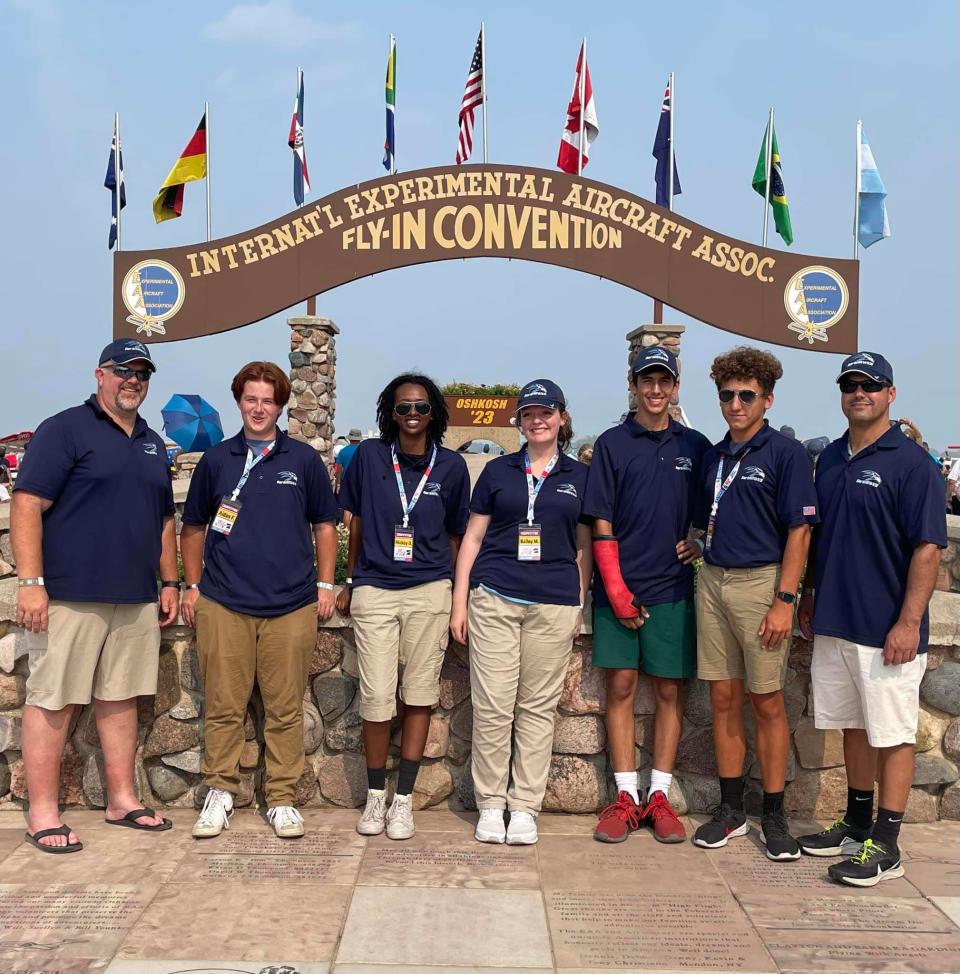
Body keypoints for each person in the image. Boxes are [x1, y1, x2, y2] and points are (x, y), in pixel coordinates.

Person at [12, 339, 177, 852]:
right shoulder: (64, 429)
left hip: (134, 596)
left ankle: (122, 799)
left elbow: (164, 518)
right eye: (122, 370)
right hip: (70, 595)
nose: (133, 379)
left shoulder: (151, 441)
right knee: (54, 699)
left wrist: (169, 582)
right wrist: (31, 583)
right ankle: (42, 812)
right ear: (99, 375)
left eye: (142, 372)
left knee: (120, 698)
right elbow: (26, 504)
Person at [797, 352, 947, 886]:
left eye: (871, 385)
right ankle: (857, 823)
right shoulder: (832, 458)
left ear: (891, 394)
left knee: (892, 733)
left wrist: (909, 623)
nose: (860, 392)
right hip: (836, 621)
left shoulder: (912, 463)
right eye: (851, 384)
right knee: (853, 728)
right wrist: (810, 597)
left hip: (887, 629)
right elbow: (821, 537)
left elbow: (928, 548)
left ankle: (887, 842)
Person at [181, 361, 338, 839]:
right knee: (225, 705)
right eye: (251, 399)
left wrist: (326, 585)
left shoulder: (303, 460)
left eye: (268, 400)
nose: (259, 408)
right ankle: (221, 792)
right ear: (239, 402)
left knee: (285, 708)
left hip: (290, 604)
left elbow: (325, 526)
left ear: (281, 405)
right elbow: (192, 528)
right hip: (224, 601)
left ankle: (283, 798)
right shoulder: (216, 460)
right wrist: (191, 587)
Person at [691, 347, 819, 862]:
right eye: (728, 394)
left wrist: (785, 599)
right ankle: (729, 810)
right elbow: (707, 519)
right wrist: (694, 544)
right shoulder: (714, 456)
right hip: (713, 581)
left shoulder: (784, 454)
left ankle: (774, 813)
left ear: (767, 399)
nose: (736, 403)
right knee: (723, 698)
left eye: (747, 395)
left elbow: (800, 530)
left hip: (762, 585)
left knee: (766, 701)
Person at [451, 379, 592, 846]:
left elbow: (583, 547)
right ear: (520, 421)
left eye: (546, 412)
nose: (537, 420)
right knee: (493, 707)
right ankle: (491, 803)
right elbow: (472, 538)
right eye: (529, 413)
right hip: (494, 597)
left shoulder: (579, 476)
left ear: (562, 417)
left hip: (552, 601)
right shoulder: (497, 471)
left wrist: (578, 602)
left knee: (536, 708)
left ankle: (524, 806)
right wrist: (460, 603)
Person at [585, 347, 711, 844]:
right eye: (646, 380)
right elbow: (600, 519)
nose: (655, 389)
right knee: (618, 688)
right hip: (620, 589)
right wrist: (615, 587)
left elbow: (714, 508)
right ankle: (625, 796)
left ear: (676, 386)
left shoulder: (697, 446)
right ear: (633, 385)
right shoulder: (613, 444)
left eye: (664, 380)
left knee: (668, 692)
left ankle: (658, 795)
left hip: (673, 589)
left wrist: (702, 541)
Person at [336, 374, 469, 840]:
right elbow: (355, 523)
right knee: (376, 697)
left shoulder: (451, 467)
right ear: (389, 414)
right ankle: (376, 797)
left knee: (418, 695)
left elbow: (456, 536)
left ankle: (404, 801)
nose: (411, 416)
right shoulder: (369, 457)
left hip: (430, 589)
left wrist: (453, 592)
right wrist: (351, 580)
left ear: (434, 413)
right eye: (402, 409)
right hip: (374, 588)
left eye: (420, 408)